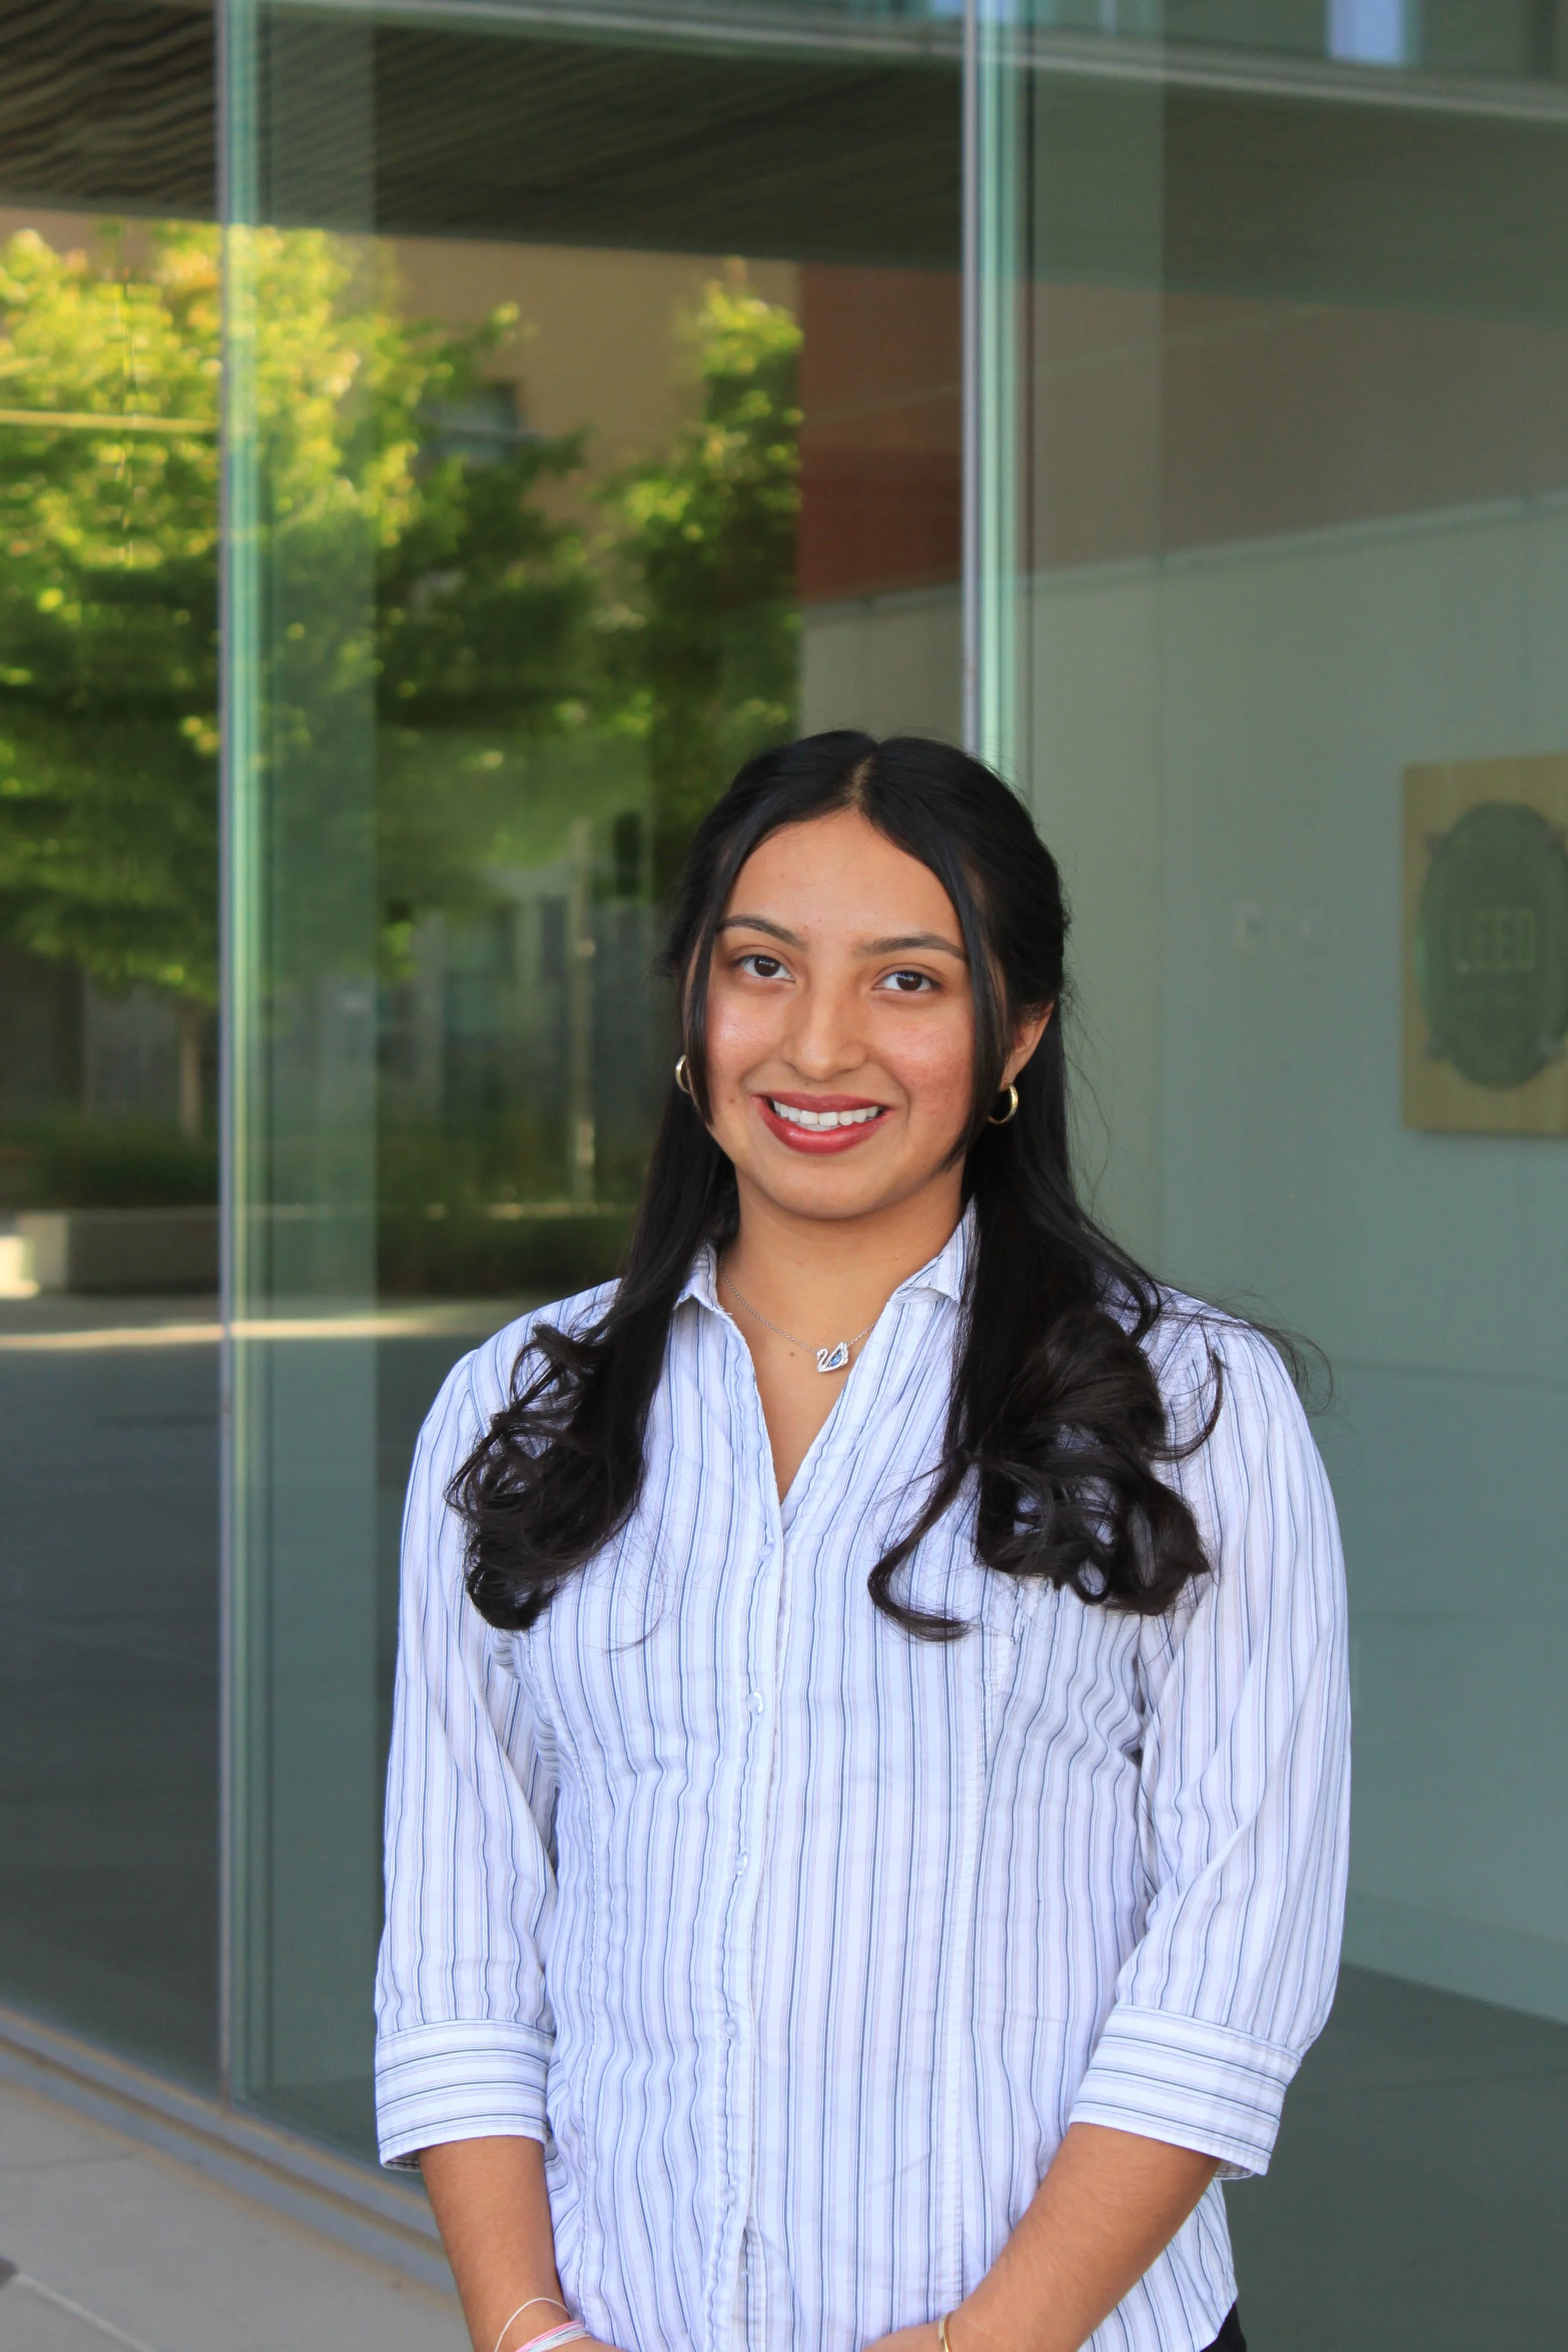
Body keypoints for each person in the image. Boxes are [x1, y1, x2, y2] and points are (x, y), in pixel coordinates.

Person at [375, 733, 1350, 2352]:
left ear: (1017, 1030)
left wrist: (996, 2338)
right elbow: (460, 1939)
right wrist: (526, 2326)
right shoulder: (518, 1410)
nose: (816, 1044)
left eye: (907, 981)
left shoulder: (1185, 1407)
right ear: (691, 999)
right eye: (760, 966)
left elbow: (1232, 1953)